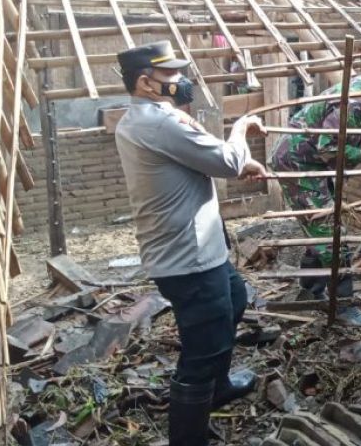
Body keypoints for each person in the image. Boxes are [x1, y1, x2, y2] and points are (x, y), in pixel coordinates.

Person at [113, 42, 268, 445]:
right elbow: (227, 162)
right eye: (171, 76)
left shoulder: (149, 119)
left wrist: (236, 159)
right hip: (190, 260)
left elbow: (204, 158)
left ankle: (218, 387)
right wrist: (241, 130)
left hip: (196, 252)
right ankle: (188, 436)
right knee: (202, 353)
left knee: (233, 300)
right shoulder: (160, 124)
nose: (181, 81)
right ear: (146, 82)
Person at [268, 60, 361, 326]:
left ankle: (310, 291)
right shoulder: (356, 101)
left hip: (317, 163)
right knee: (329, 232)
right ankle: (342, 305)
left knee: (321, 225)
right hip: (298, 160)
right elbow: (326, 147)